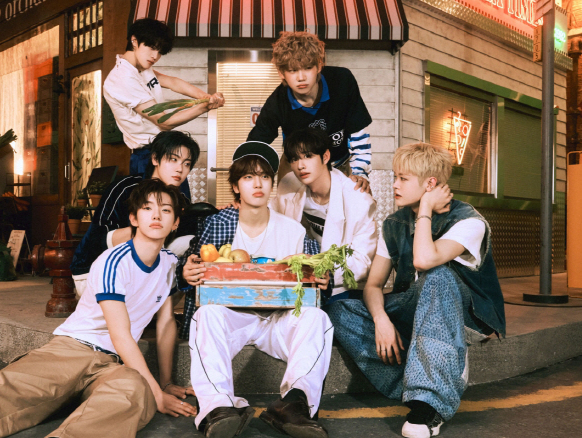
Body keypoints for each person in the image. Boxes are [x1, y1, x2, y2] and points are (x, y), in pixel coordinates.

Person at [0, 180, 196, 438]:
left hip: (115, 364)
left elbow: (165, 324)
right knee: (3, 392)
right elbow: (121, 335)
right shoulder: (113, 262)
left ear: (175, 223)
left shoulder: (170, 264)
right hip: (73, 349)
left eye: (166, 210)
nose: (156, 215)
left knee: (134, 391)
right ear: (134, 219)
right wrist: (159, 395)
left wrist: (164, 384)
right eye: (147, 208)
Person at [326, 143, 506, 438]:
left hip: (464, 316)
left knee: (438, 276)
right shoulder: (394, 224)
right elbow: (373, 285)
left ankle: (428, 404)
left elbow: (425, 259)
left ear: (430, 184)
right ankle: (420, 380)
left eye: (403, 178)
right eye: (395, 177)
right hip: (416, 304)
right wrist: (382, 321)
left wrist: (424, 209)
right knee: (338, 307)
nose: (395, 185)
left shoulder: (469, 221)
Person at [180, 141, 331, 438]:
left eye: (264, 176)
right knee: (207, 314)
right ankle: (217, 409)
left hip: (277, 320)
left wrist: (323, 279)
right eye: (248, 177)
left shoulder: (293, 230)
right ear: (236, 186)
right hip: (234, 317)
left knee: (318, 319)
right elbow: (192, 262)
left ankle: (293, 405)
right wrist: (186, 271)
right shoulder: (218, 224)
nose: (258, 184)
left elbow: (317, 278)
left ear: (272, 184)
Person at [71, 130, 201, 297]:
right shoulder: (125, 188)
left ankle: (160, 309)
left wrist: (221, 213)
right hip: (96, 270)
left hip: (141, 270)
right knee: (155, 236)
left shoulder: (179, 200)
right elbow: (99, 239)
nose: (180, 169)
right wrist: (150, 230)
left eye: (186, 164)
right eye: (173, 159)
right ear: (155, 159)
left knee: (193, 243)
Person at [103, 18, 224, 193]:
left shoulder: (140, 69)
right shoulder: (123, 78)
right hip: (147, 156)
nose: (155, 56)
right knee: (157, 206)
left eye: (160, 51)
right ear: (134, 41)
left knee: (180, 205)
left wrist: (206, 97)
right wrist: (204, 107)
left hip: (163, 150)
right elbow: (164, 121)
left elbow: (172, 82)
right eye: (152, 48)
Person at [247, 31, 373, 192]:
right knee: (287, 206)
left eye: (307, 68)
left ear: (319, 66)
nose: (301, 77)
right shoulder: (276, 103)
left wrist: (360, 173)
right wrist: (245, 186)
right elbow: (254, 148)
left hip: (339, 162)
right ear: (281, 73)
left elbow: (358, 133)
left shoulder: (342, 81)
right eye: (292, 70)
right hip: (295, 165)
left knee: (360, 198)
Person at [271, 128, 377, 304]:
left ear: (325, 157)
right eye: (295, 159)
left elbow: (362, 260)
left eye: (308, 156)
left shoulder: (358, 200)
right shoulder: (290, 189)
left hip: (341, 287)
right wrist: (237, 205)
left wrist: (329, 272)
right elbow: (268, 216)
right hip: (302, 282)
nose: (300, 165)